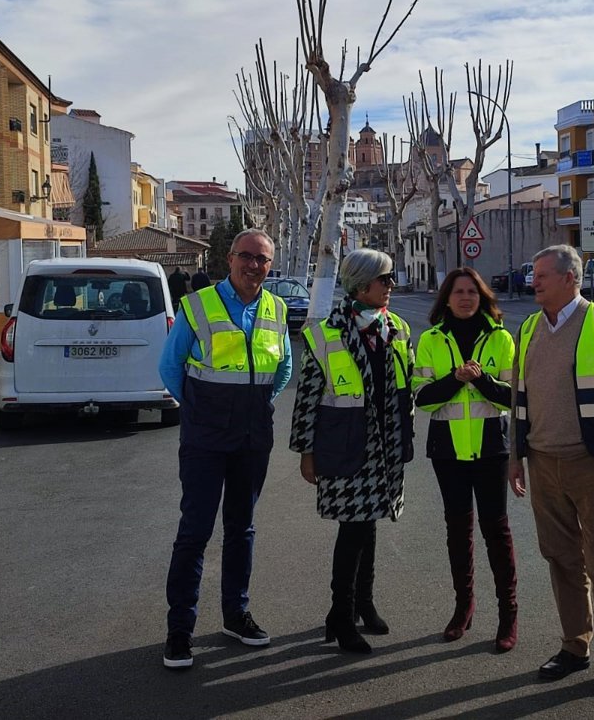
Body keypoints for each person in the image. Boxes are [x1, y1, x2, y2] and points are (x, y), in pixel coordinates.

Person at [508, 244, 594, 702]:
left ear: (570, 278)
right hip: (542, 462)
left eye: (542, 275)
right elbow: (518, 398)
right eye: (534, 275)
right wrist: (515, 456)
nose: (533, 281)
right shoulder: (529, 327)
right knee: (562, 559)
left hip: (593, 464)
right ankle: (574, 646)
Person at [158, 229, 293, 670]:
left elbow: (284, 366)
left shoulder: (276, 308)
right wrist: (202, 409)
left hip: (253, 435)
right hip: (205, 436)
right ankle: (180, 630)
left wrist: (256, 404)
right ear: (230, 258)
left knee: (242, 528)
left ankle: (236, 615)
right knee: (195, 531)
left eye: (262, 259)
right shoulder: (197, 305)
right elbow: (170, 366)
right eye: (246, 257)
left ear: (270, 266)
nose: (253, 265)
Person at [290, 249, 415, 655]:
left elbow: (407, 388)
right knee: (353, 529)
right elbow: (307, 399)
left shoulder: (397, 328)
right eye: (385, 279)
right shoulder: (326, 333)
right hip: (346, 442)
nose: (391, 285)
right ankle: (341, 615)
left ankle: (364, 603)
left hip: (386, 445)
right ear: (361, 285)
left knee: (369, 522)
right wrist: (306, 451)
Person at [413, 268, 518, 652]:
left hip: (491, 449)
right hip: (448, 451)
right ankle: (463, 608)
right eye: (458, 292)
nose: (465, 298)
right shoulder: (431, 340)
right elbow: (421, 398)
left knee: (496, 532)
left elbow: (514, 397)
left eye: (472, 291)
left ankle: (508, 615)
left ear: (482, 296)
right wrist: (456, 379)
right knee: (458, 532)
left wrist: (481, 380)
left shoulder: (501, 338)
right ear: (446, 298)